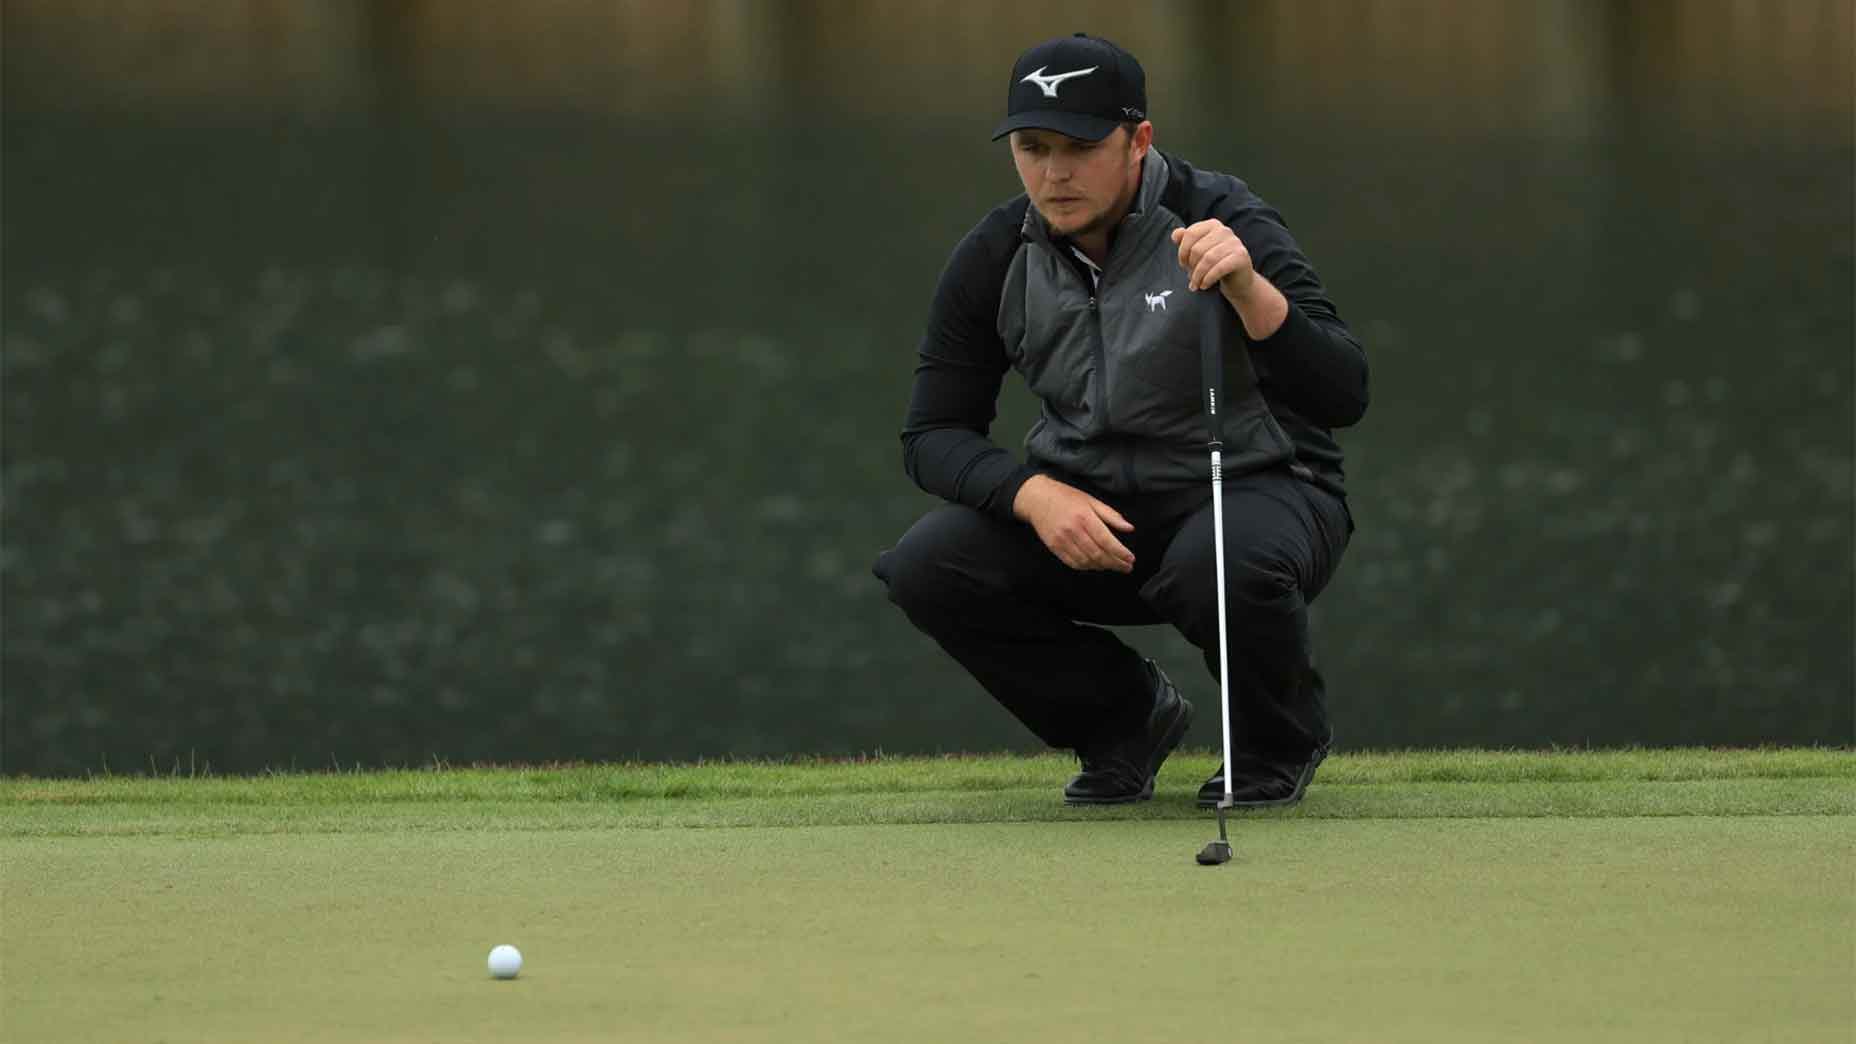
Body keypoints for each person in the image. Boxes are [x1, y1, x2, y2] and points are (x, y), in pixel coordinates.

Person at [873, 33, 1367, 808]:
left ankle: (1276, 744)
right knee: (926, 565)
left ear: (1138, 141)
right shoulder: (997, 252)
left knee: (1218, 562)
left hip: (1258, 493)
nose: (1054, 173)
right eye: (1033, 149)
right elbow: (932, 436)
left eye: (1080, 147)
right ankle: (1124, 722)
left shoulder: (1220, 215)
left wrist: (1249, 289)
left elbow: (1343, 395)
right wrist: (1034, 495)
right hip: (1096, 516)